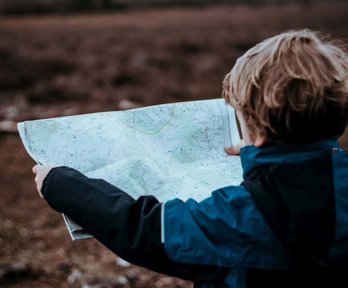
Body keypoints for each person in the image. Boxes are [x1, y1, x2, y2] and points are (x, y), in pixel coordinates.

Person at [32, 29, 348, 287]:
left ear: (258, 130)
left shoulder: (238, 216)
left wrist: (60, 184)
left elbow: (146, 231)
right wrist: (257, 155)